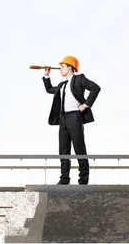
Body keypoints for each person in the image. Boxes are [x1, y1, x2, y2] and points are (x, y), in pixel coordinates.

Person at [43, 56, 101, 185]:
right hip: (63, 119)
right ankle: (64, 179)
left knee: (79, 148)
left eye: (62, 67)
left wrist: (85, 105)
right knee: (63, 150)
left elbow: (95, 88)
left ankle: (83, 179)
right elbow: (49, 89)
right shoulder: (62, 84)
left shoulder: (79, 79)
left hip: (75, 117)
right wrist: (47, 76)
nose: (60, 69)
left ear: (70, 67)